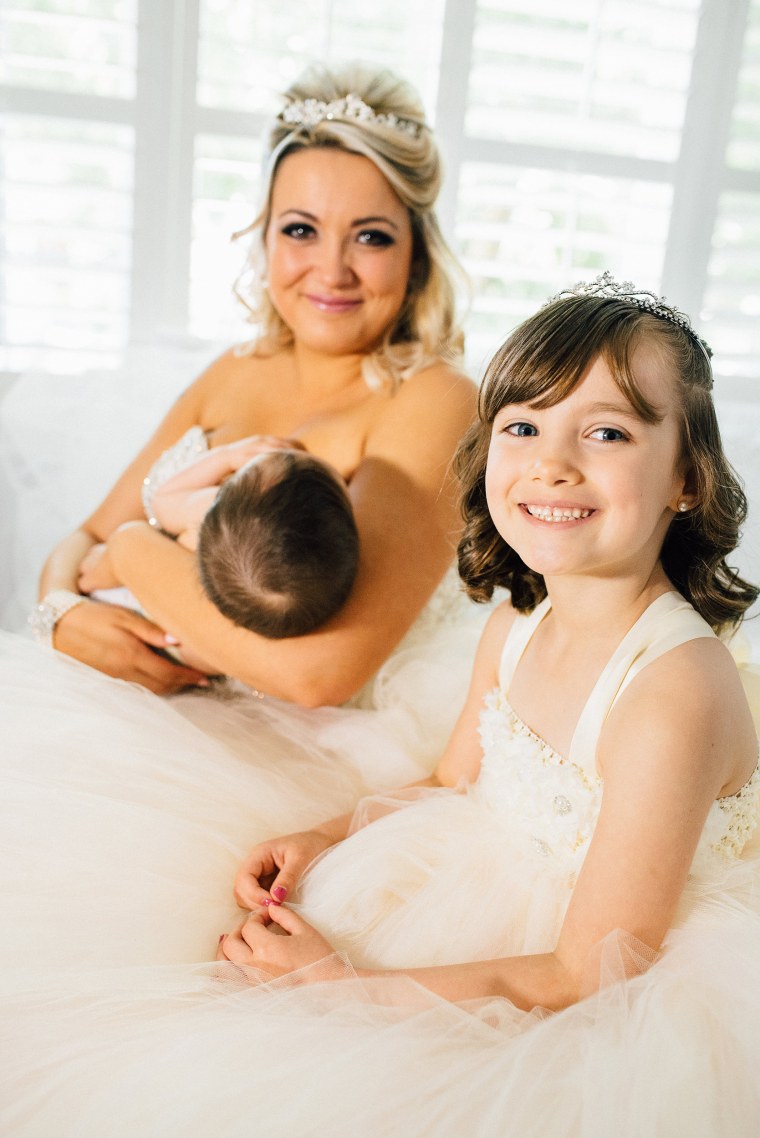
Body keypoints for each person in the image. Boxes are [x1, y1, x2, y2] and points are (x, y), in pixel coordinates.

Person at [2, 274, 759, 1137]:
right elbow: (454, 781)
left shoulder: (672, 694)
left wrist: (345, 991)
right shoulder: (521, 622)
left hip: (593, 977)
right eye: (522, 426)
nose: (552, 462)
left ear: (687, 480)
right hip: (502, 898)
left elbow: (593, 974)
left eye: (608, 431)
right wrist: (327, 834)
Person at [30, 62, 477, 708]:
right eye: (301, 229)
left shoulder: (436, 400)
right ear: (265, 238)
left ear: (416, 257)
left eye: (371, 237)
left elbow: (318, 674)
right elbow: (85, 536)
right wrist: (60, 613)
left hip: (302, 749)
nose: (332, 270)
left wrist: (133, 555)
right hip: (140, 715)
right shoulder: (236, 369)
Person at [77, 434, 360, 670]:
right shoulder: (301, 591)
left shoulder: (208, 509)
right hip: (186, 649)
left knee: (90, 571)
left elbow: (163, 500)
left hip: (127, 601)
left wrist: (225, 457)